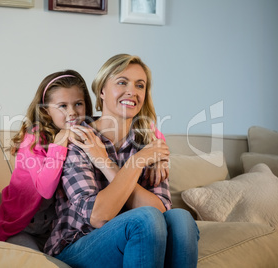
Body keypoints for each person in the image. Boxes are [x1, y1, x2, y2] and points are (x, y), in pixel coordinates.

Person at [45, 54, 200, 267]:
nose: (132, 91)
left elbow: (161, 211)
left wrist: (117, 162)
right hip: (77, 246)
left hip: (134, 236)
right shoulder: (79, 138)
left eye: (140, 85)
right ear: (102, 91)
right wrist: (137, 163)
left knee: (181, 219)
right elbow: (99, 216)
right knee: (145, 219)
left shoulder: (148, 146)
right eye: (122, 82)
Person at [0, 70, 94, 251]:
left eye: (78, 104)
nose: (72, 112)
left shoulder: (85, 133)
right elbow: (45, 189)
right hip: (21, 228)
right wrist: (60, 142)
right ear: (46, 110)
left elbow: (123, 125)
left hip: (56, 231)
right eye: (62, 106)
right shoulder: (34, 138)